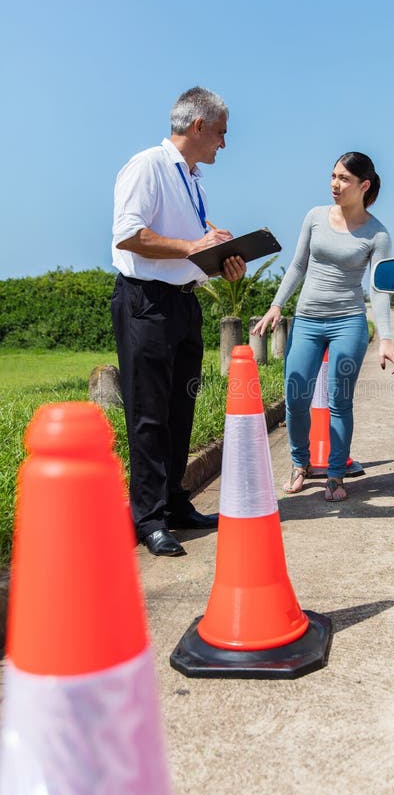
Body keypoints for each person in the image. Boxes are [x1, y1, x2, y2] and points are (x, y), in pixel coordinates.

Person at [111, 86, 246, 557]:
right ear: (198, 126)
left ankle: (173, 501)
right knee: (148, 414)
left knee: (178, 409)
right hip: (146, 301)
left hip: (185, 302)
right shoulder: (147, 165)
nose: (223, 145)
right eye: (221, 133)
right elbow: (129, 235)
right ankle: (147, 519)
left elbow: (187, 246)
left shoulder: (193, 179)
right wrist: (192, 247)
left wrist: (219, 254)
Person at [252, 152, 394, 502]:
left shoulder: (377, 234)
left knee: (339, 401)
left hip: (348, 321)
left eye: (344, 179)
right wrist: (277, 305)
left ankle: (335, 475)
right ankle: (300, 463)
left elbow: (379, 288)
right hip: (307, 319)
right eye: (333, 176)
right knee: (295, 395)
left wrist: (387, 338)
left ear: (364, 185)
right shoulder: (315, 217)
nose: (335, 184)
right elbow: (298, 264)